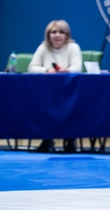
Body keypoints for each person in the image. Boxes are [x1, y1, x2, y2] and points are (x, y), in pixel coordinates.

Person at [29, 19, 83, 153]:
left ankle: (70, 138)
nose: (57, 35)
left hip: (68, 91)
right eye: (53, 32)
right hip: (46, 92)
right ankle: (47, 138)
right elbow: (31, 68)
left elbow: (77, 68)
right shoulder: (43, 47)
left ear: (67, 35)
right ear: (48, 35)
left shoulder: (73, 47)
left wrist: (66, 70)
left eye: (61, 32)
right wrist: (48, 70)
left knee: (70, 104)